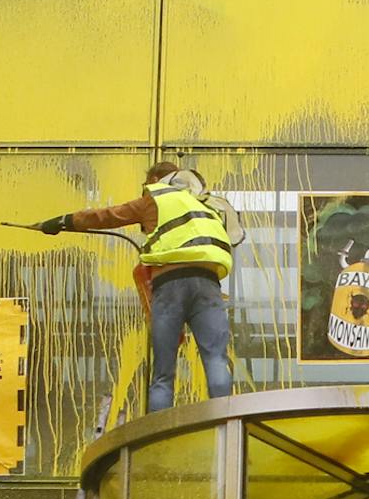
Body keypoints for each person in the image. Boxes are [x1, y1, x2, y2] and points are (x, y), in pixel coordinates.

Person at [36, 163, 234, 414]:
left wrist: (62, 221)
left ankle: (158, 439)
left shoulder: (156, 197)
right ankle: (226, 424)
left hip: (170, 283)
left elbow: (106, 216)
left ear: (153, 179)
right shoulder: (204, 204)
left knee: (163, 373)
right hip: (208, 283)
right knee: (216, 359)